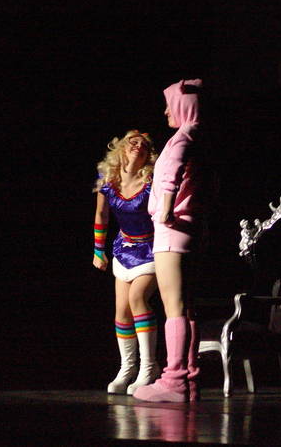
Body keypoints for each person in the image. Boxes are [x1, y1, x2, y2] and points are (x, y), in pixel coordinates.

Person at [133, 79, 206, 403]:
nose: (165, 111)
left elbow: (170, 174)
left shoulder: (182, 138)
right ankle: (189, 377)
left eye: (169, 104)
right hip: (188, 229)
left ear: (182, 106)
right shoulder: (199, 138)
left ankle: (174, 380)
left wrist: (164, 209)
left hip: (172, 230)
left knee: (173, 305)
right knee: (186, 307)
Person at [92, 130, 160, 395]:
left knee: (137, 298)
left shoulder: (151, 181)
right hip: (124, 248)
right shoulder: (107, 179)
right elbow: (101, 214)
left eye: (144, 144)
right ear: (120, 148)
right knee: (121, 312)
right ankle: (127, 368)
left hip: (152, 249)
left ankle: (148, 367)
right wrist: (98, 250)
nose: (138, 145)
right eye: (133, 141)